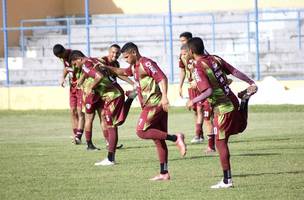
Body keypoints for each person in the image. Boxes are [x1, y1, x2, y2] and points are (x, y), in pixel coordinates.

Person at [101, 42, 187, 181]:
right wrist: (107, 68)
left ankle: (176, 138)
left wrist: (165, 96)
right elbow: (122, 72)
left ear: (134, 52)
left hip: (154, 104)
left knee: (141, 131)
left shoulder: (146, 63)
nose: (125, 60)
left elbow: (162, 78)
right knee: (158, 139)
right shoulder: (134, 67)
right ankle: (164, 172)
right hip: (152, 104)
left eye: (127, 57)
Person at [186, 37, 257, 188]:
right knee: (238, 128)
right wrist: (250, 82)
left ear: (191, 51)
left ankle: (227, 180)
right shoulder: (214, 59)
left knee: (220, 143)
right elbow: (234, 71)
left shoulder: (198, 67)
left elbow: (208, 91)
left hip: (223, 107)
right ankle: (244, 101)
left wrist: (193, 100)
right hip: (232, 99)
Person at [70, 50, 135, 165]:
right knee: (115, 123)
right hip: (113, 95)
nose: (76, 67)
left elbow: (98, 76)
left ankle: (110, 159)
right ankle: (130, 98)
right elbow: (91, 70)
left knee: (112, 125)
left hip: (112, 96)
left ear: (79, 59)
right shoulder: (92, 60)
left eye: (75, 64)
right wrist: (81, 79)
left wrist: (91, 86)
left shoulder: (85, 65)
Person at [178, 32, 215, 153]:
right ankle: (202, 135)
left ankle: (205, 138)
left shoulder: (201, 59)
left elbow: (208, 70)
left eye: (184, 41)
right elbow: (183, 70)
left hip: (204, 89)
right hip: (193, 87)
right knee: (197, 110)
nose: (182, 43)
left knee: (206, 114)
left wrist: (198, 82)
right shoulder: (184, 57)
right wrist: (181, 85)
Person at [99, 44, 135, 149]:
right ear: (109, 51)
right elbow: (94, 65)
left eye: (118, 53)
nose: (115, 54)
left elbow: (119, 74)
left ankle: (110, 143)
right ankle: (109, 142)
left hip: (112, 94)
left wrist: (132, 82)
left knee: (112, 119)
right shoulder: (102, 61)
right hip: (103, 93)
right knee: (108, 118)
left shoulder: (116, 63)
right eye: (113, 52)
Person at [53, 44, 84, 144]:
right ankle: (75, 135)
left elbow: (86, 67)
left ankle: (79, 135)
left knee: (80, 111)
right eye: (58, 57)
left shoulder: (75, 55)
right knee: (72, 111)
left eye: (60, 56)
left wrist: (81, 79)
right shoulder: (63, 58)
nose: (60, 58)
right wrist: (63, 77)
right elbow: (66, 68)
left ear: (64, 51)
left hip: (80, 87)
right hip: (72, 87)